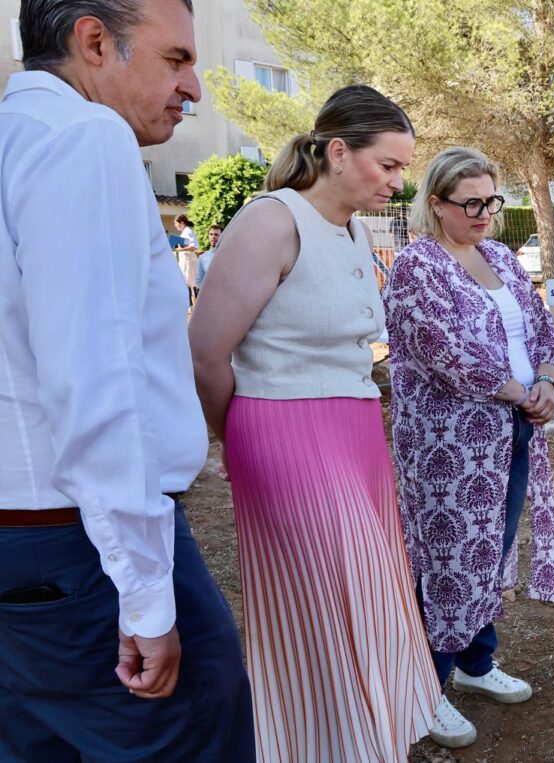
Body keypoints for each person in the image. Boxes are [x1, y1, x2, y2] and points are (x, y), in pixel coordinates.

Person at [0, 1, 254, 760]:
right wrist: (145, 593)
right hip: (75, 543)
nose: (195, 88)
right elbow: (95, 378)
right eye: (176, 59)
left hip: (31, 543)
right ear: (93, 41)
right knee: (186, 734)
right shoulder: (83, 137)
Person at [189, 84, 438, 762]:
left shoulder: (353, 227)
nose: (398, 180)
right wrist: (233, 439)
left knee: (369, 600)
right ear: (336, 152)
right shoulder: (271, 220)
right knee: (333, 609)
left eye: (402, 167)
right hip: (282, 432)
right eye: (387, 164)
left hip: (354, 432)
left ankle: (356, 742)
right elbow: (207, 354)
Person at [383, 147, 554, 749]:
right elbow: (444, 351)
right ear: (435, 204)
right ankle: (425, 688)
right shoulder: (417, 266)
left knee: (492, 550)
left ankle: (475, 664)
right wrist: (519, 391)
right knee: (444, 560)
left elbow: (542, 326)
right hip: (450, 444)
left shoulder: (500, 258)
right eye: (471, 203)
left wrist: (545, 381)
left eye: (492, 200)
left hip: (513, 427)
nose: (485, 212)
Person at [173, 213, 199, 302]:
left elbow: (194, 246)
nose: (175, 226)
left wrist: (181, 249)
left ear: (182, 222)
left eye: (176, 223)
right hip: (185, 262)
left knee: (190, 285)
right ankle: (190, 306)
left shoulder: (188, 231)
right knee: (187, 284)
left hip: (189, 262)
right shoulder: (185, 232)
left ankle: (192, 307)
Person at [194, 223, 222, 289]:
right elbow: (199, 280)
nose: (213, 237)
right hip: (209, 294)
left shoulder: (228, 255)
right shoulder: (203, 257)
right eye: (211, 234)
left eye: (216, 235)